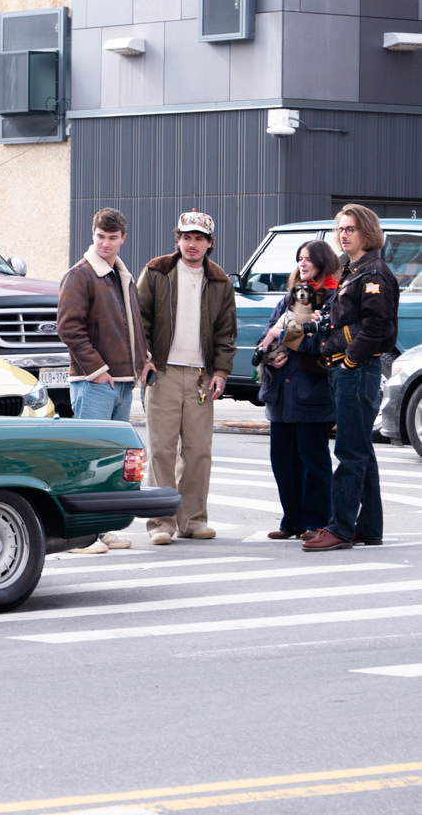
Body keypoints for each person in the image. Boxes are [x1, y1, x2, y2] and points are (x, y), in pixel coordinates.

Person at [136, 210, 236, 546]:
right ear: (177, 239)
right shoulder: (156, 271)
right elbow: (140, 320)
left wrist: (220, 372)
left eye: (199, 238)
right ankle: (160, 522)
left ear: (210, 243)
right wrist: (144, 359)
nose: (192, 244)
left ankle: (193, 520)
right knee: (161, 450)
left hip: (200, 377)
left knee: (198, 451)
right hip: (162, 371)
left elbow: (226, 332)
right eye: (186, 237)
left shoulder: (220, 281)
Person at [303, 204, 400, 553]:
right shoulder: (352, 271)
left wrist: (350, 360)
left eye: (351, 229)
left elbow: (378, 326)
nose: (343, 235)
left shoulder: (373, 273)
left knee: (349, 451)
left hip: (356, 371)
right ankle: (369, 527)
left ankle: (340, 528)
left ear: (367, 232)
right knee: (362, 451)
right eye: (341, 229)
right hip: (344, 369)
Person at [255, 239, 338, 541]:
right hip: (281, 395)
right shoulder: (288, 297)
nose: (302, 264)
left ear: (323, 262)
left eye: (309, 259)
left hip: (311, 395)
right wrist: (269, 354)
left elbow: (322, 343)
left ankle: (316, 522)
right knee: (283, 462)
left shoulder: (331, 299)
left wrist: (285, 336)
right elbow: (266, 334)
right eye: (300, 258)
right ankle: (291, 520)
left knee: (313, 462)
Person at [56, 207, 150, 422]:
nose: (105, 243)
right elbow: (68, 329)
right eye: (101, 236)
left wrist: (144, 360)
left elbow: (134, 325)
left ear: (123, 238)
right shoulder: (79, 276)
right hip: (92, 383)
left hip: (123, 383)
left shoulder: (124, 278)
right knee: (91, 443)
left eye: (112, 237)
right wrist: (96, 370)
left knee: (113, 444)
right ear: (93, 235)